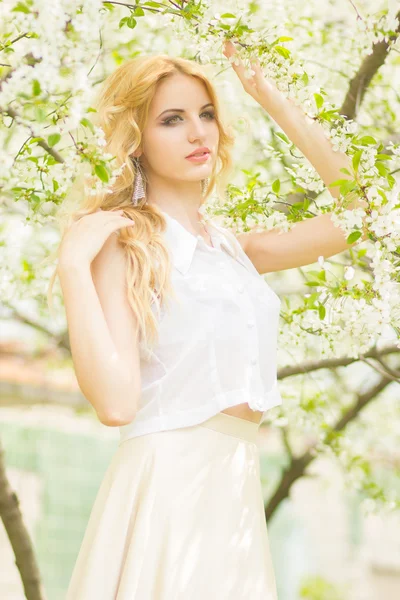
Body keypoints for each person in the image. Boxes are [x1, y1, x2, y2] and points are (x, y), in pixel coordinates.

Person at [50, 38, 366, 600]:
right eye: (172, 119)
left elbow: (361, 213)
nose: (199, 132)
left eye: (207, 114)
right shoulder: (125, 246)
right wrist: (74, 266)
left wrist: (269, 97)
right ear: (136, 140)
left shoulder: (229, 249)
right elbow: (116, 404)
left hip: (234, 484)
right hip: (170, 484)